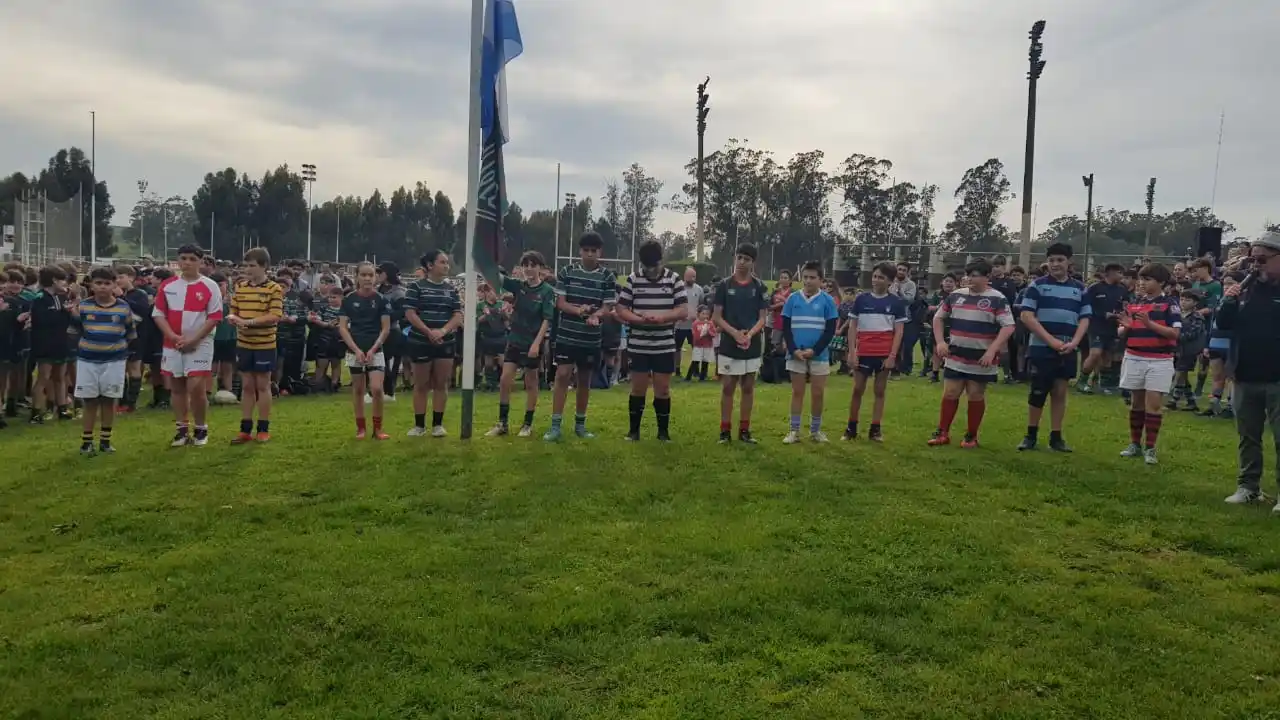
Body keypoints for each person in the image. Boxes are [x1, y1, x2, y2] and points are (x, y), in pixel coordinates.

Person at [1219, 233, 1280, 509]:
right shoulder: (1246, 287)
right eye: (1252, 260)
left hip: (1277, 377)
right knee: (1248, 437)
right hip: (1244, 374)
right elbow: (1223, 324)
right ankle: (1248, 487)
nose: (1256, 266)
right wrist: (1228, 301)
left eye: (1262, 260)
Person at [927, 259, 1015, 448]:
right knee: (950, 392)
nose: (970, 279)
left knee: (975, 394)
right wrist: (941, 342)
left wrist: (992, 350)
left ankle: (971, 436)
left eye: (975, 275)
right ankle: (942, 433)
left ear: (987, 277)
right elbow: (938, 318)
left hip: (981, 358)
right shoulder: (956, 296)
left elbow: (1008, 326)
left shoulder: (997, 298)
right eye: (968, 275)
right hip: (956, 354)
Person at [1016, 243, 1091, 452]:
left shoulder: (1080, 288)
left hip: (1068, 347)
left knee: (1060, 391)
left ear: (1069, 263)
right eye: (1052, 260)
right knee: (1038, 391)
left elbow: (1085, 318)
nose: (1055, 264)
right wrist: (1051, 341)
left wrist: (1074, 342)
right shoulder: (1037, 285)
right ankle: (1030, 435)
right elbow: (1026, 316)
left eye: (1060, 260)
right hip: (1042, 347)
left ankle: (1056, 437)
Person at [546, 232, 617, 441]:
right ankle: (555, 426)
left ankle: (580, 425)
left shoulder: (607, 276)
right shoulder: (567, 271)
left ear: (599, 253)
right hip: (567, 335)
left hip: (590, 338)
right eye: (586, 250)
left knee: (584, 380)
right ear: (580, 251)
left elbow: (607, 306)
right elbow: (560, 303)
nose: (589, 254)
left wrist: (596, 315)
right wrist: (579, 311)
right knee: (562, 375)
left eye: (593, 251)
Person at [152, 245, 223, 447]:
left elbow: (214, 317)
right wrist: (173, 337)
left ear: (201, 262)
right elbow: (158, 314)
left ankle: (201, 428)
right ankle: (181, 430)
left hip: (200, 343)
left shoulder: (210, 286)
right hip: (172, 343)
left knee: (196, 388)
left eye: (192, 258)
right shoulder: (167, 285)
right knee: (176, 387)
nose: (187, 262)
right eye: (183, 258)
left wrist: (194, 340)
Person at [616, 240, 687, 442]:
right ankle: (633, 431)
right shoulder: (633, 279)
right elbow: (621, 309)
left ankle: (663, 433)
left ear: (661, 261)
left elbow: (683, 310)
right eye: (647, 267)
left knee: (663, 388)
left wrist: (663, 318)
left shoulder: (674, 279)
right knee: (638, 388)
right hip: (639, 343)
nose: (651, 271)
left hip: (664, 343)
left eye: (654, 266)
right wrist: (640, 319)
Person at [1116, 263, 1181, 465]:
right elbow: (1121, 332)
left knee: (1153, 404)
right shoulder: (1134, 304)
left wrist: (1149, 324)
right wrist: (1125, 328)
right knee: (1136, 403)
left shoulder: (1170, 305)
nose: (1142, 283)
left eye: (1147, 279)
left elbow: (1175, 334)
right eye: (1141, 279)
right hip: (1134, 356)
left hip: (1159, 360)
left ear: (1161, 282)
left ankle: (1150, 447)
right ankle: (1134, 444)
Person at [486, 251, 556, 438]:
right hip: (514, 341)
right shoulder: (518, 286)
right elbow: (497, 278)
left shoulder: (547, 291)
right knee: (504, 380)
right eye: (526, 265)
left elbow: (547, 319)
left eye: (533, 265)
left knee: (530, 383)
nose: (529, 269)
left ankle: (527, 423)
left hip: (532, 342)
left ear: (540, 268)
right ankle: (502, 423)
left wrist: (536, 344)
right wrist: (487, 260)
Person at [72, 267, 135, 454]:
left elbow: (130, 333)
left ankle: (105, 441)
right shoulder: (83, 306)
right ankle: (87, 441)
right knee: (90, 401)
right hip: (88, 360)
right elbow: (74, 332)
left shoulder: (123, 307)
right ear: (91, 285)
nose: (102, 287)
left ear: (115, 285)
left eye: (107, 283)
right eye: (98, 283)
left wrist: (117, 349)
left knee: (109, 399)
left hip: (114, 361)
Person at [712, 244, 769, 444]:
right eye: (739, 257)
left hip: (751, 344)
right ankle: (724, 431)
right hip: (729, 342)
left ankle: (744, 430)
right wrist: (735, 333)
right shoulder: (724, 285)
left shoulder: (759, 287)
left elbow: (763, 318)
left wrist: (749, 334)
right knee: (728, 386)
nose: (742, 262)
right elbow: (716, 317)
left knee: (748, 387)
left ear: (753, 262)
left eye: (747, 259)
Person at [843, 262, 906, 441]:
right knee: (857, 389)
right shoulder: (861, 299)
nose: (876, 280)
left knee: (879, 390)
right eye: (875, 276)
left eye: (881, 277)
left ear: (890, 282)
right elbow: (853, 327)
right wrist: (852, 352)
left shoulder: (896, 303)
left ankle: (875, 429)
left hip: (883, 354)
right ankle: (851, 428)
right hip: (863, 351)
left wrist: (892, 356)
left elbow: (899, 331)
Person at [403, 250, 462, 437]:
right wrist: (428, 332)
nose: (446, 266)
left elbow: (458, 314)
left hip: (445, 342)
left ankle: (438, 424)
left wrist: (443, 331)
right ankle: (419, 426)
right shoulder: (416, 287)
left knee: (441, 383)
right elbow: (410, 313)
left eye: (447, 262)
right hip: (420, 341)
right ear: (430, 265)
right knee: (421, 384)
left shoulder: (451, 289)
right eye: (442, 262)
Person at [227, 247, 284, 444]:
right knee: (248, 386)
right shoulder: (240, 287)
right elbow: (233, 310)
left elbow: (275, 315)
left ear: (264, 266)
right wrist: (233, 318)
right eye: (246, 266)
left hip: (265, 344)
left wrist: (249, 322)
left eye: (252, 266)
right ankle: (245, 429)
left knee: (263, 385)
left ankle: (263, 428)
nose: (247, 269)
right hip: (244, 343)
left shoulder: (274, 288)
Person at [781, 261, 839, 444]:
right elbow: (786, 328)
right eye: (805, 277)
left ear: (821, 280)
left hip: (819, 355)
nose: (808, 281)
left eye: (812, 277)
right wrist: (794, 350)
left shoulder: (828, 301)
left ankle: (815, 431)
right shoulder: (792, 299)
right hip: (796, 354)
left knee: (817, 393)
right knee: (797, 392)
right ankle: (794, 431)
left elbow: (830, 330)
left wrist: (815, 350)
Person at [339, 262, 391, 439]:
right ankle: (361, 428)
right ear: (357, 277)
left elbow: (385, 328)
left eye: (371, 275)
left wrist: (373, 348)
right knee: (358, 390)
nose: (367, 278)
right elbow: (343, 328)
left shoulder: (382, 300)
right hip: (355, 350)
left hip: (375, 349)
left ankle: (378, 429)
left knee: (376, 389)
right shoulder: (349, 300)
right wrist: (356, 349)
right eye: (364, 275)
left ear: (375, 277)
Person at [27, 265, 73, 424]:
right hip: (44, 343)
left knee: (60, 377)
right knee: (43, 377)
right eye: (62, 280)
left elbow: (65, 322)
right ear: (53, 280)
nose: (65, 283)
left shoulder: (62, 297)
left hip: (60, 341)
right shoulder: (39, 298)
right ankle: (36, 412)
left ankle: (62, 409)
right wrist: (62, 313)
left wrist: (68, 313)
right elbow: (41, 321)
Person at [1079, 263, 1127, 394]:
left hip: (1113, 327)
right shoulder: (1095, 288)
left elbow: (1126, 305)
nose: (1122, 276)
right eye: (1119, 273)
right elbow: (1085, 305)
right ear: (1110, 273)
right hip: (1096, 326)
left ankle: (1101, 383)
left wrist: (1121, 314)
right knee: (1095, 353)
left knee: (1107, 357)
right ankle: (1082, 380)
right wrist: (1103, 314)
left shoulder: (1122, 289)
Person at [114, 265, 151, 413]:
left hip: (136, 336)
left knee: (134, 367)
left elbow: (142, 311)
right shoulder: (113, 295)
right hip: (119, 336)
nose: (118, 280)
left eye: (121, 277)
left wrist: (121, 297)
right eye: (116, 278)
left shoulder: (139, 294)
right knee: (120, 368)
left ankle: (131, 403)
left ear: (131, 277)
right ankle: (121, 401)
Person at [1168, 290, 1208, 412]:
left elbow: (1193, 333)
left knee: (1180, 372)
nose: (1183, 302)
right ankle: (1191, 402)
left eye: (1188, 300)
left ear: (1195, 303)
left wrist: (1175, 336)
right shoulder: (1177, 314)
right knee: (1183, 375)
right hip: (1178, 348)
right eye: (1182, 299)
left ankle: (1174, 400)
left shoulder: (1197, 317)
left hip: (1189, 350)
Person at [375, 262, 406, 401]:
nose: (377, 275)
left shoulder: (398, 292)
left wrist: (385, 317)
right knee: (379, 361)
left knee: (389, 361)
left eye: (380, 272)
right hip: (378, 330)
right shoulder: (378, 290)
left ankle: (389, 391)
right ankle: (380, 389)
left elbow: (401, 312)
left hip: (392, 331)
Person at [674, 266, 705, 378]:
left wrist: (697, 317)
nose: (693, 279)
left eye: (694, 276)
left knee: (696, 348)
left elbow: (702, 305)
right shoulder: (678, 288)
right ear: (685, 276)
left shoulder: (699, 289)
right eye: (691, 276)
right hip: (679, 325)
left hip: (694, 326)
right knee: (677, 348)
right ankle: (677, 369)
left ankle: (695, 369)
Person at [687, 307, 716, 382]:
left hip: (707, 346)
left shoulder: (710, 323)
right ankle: (688, 377)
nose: (705, 316)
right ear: (698, 314)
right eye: (703, 314)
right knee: (695, 361)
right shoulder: (695, 324)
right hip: (698, 346)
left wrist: (708, 332)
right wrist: (702, 334)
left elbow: (714, 334)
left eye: (707, 314)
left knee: (705, 362)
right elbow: (695, 336)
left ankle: (702, 377)